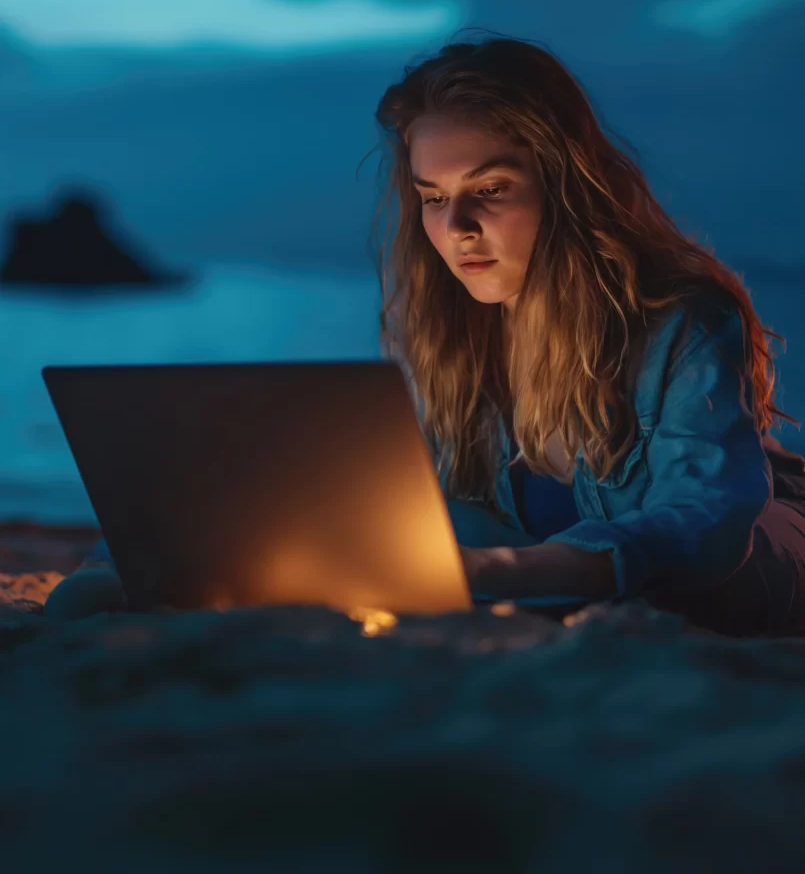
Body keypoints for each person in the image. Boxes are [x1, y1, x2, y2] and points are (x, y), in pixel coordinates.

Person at [47, 33, 805, 637]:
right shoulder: (448, 332)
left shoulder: (682, 316)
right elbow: (386, 497)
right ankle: (144, 561)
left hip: (745, 567)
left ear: (566, 185)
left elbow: (701, 528)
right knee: (319, 506)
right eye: (433, 197)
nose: (456, 228)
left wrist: (508, 575)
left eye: (490, 191)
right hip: (529, 551)